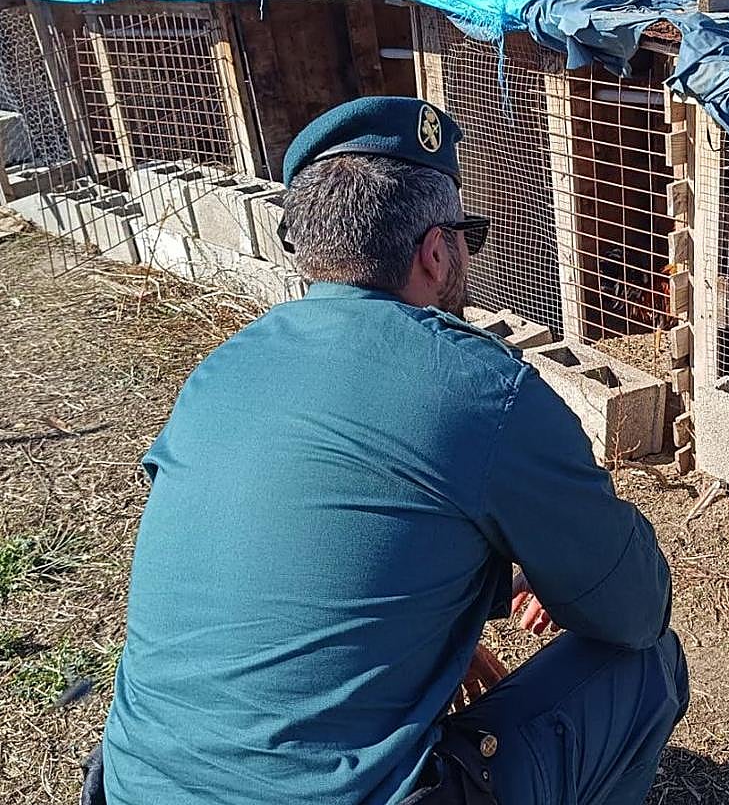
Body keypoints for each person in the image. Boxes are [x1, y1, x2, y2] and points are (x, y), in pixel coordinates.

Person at [97, 96, 688, 805]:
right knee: (648, 663)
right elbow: (632, 609)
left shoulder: (218, 371)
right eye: (469, 237)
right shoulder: (480, 387)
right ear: (436, 253)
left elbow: (290, 552)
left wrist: (449, 630)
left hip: (135, 785)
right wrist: (558, 570)